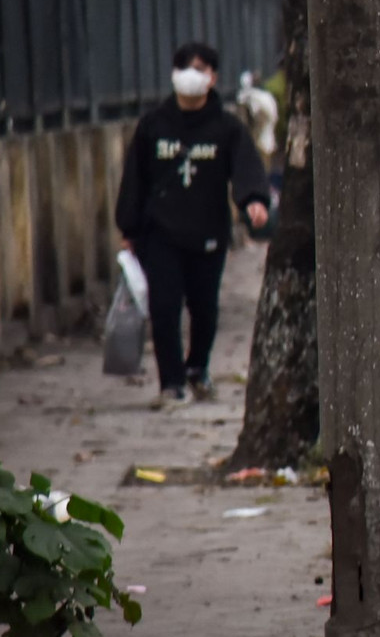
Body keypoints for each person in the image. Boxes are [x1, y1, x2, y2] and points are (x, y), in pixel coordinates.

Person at [114, 42, 271, 407]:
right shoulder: (153, 126)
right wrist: (130, 228)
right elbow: (135, 179)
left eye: (199, 68)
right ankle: (171, 383)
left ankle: (197, 367)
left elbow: (245, 168)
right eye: (184, 67)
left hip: (208, 233)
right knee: (164, 308)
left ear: (213, 77)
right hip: (161, 234)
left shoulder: (226, 127)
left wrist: (253, 201)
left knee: (204, 308)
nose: (191, 74)